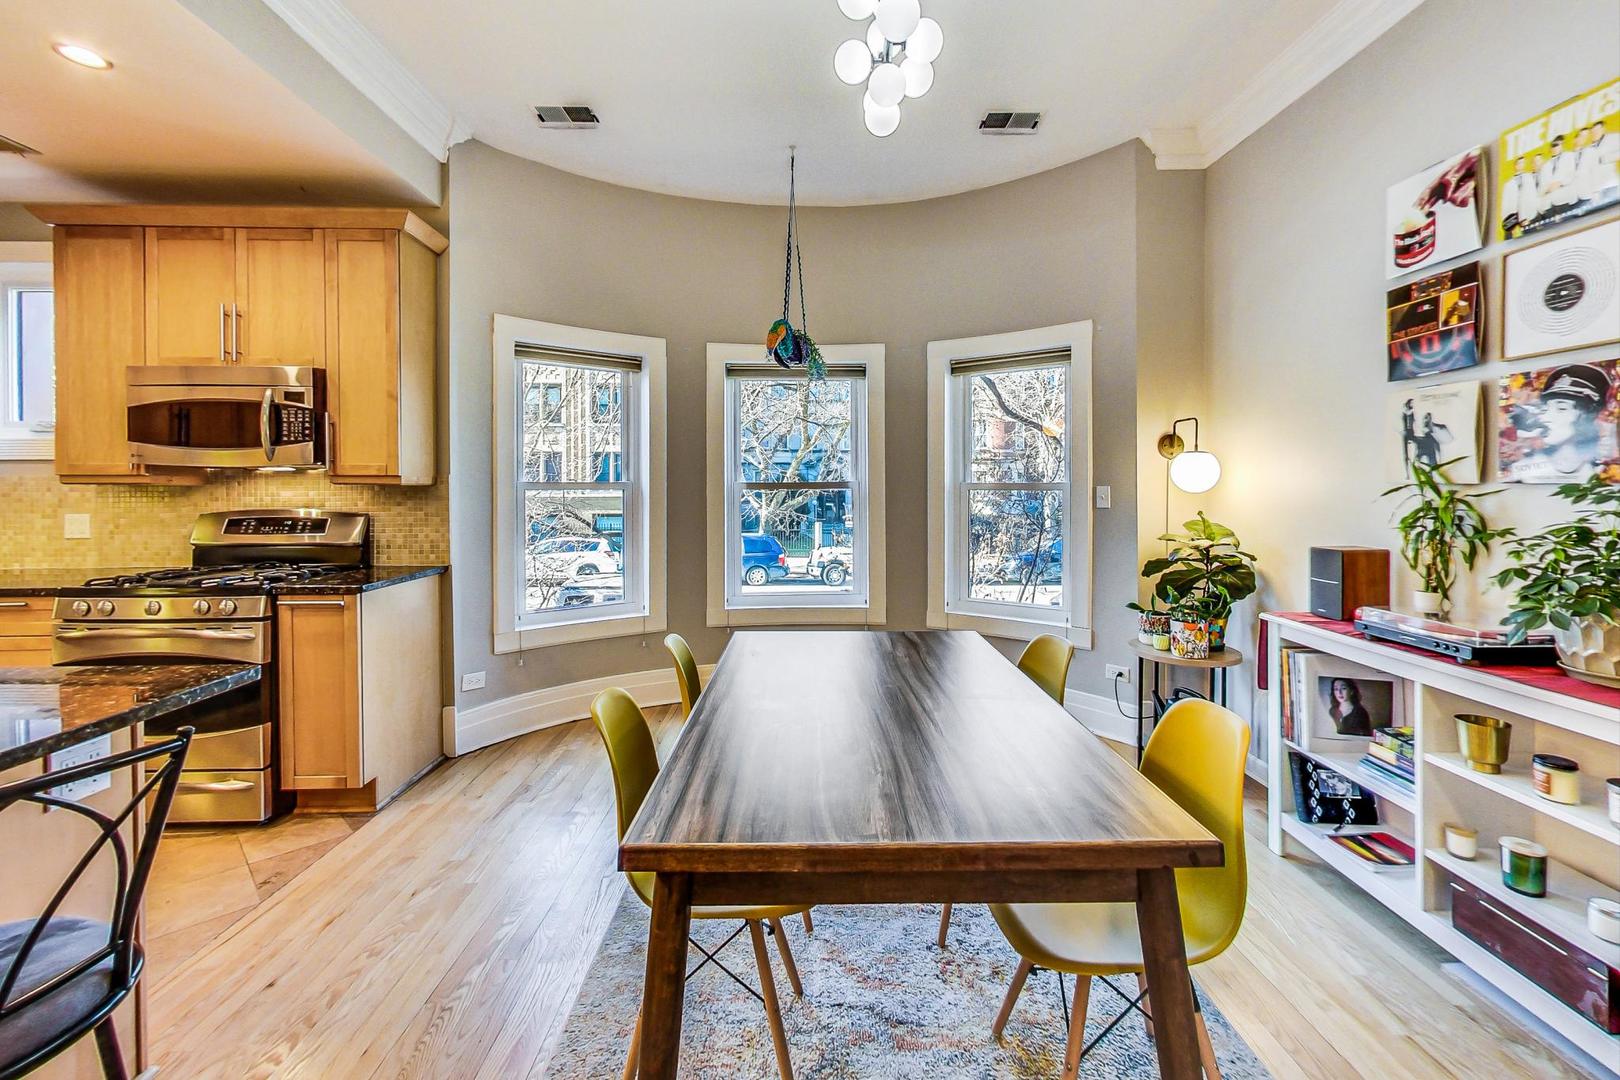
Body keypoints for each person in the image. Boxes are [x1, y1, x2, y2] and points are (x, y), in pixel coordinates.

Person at [1508, 362, 1615, 483]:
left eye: (1561, 408)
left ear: (1586, 415)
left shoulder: (1603, 472)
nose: (1545, 417)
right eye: (1545, 409)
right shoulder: (1522, 471)